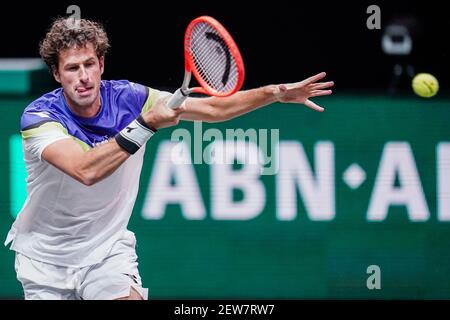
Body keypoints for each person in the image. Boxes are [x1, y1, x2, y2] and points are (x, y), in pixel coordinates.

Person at [4, 17, 334, 300]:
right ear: (57, 74)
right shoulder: (40, 118)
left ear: (101, 65)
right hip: (45, 258)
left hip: (105, 251)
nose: (84, 76)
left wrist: (273, 93)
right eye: (72, 68)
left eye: (90, 64)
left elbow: (214, 108)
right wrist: (145, 124)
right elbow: (85, 169)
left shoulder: (132, 98)